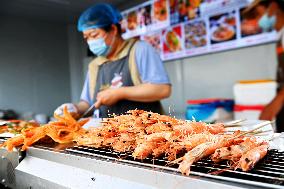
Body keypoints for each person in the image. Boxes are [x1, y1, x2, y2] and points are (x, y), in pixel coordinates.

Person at [55, 3, 171, 118]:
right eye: (86, 37)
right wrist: (74, 109)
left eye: (94, 35)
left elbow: (162, 89)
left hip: (146, 131)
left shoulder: (139, 49)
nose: (90, 41)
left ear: (114, 29)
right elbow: (88, 104)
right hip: (109, 133)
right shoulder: (95, 65)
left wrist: (119, 93)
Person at [253, 0, 284, 131]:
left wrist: (275, 104)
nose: (257, 20)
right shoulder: (280, 35)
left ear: (273, 6)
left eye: (258, 14)